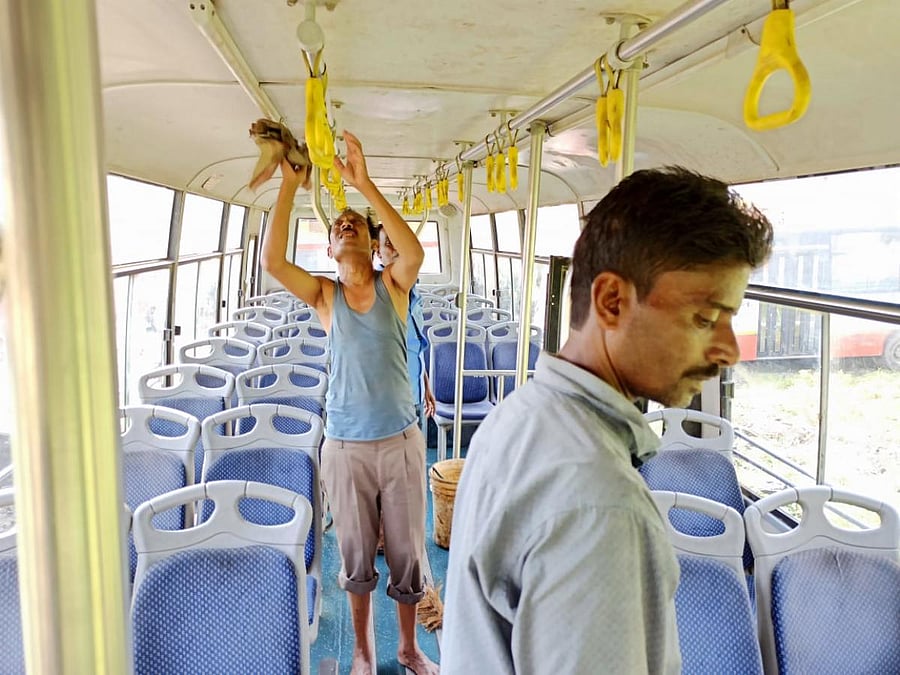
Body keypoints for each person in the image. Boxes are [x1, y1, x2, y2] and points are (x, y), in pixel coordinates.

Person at [441, 167, 774, 674]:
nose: (728, 350)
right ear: (612, 301)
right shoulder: (601, 503)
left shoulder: (519, 417)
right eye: (705, 319)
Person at [261, 131, 439, 675]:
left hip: (401, 440)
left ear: (367, 239)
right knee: (357, 557)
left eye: (354, 222)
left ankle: (408, 649)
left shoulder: (395, 286)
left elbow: (414, 250)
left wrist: (363, 184)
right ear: (332, 250)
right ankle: (363, 651)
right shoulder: (325, 295)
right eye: (338, 226)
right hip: (343, 444)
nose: (345, 226)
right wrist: (290, 187)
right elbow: (271, 262)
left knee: (407, 556)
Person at [373, 223, 437, 433]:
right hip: (386, 401)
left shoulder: (414, 292)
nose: (397, 248)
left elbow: (415, 344)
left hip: (414, 392)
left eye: (400, 242)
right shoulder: (373, 291)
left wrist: (425, 384)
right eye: (389, 244)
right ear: (377, 252)